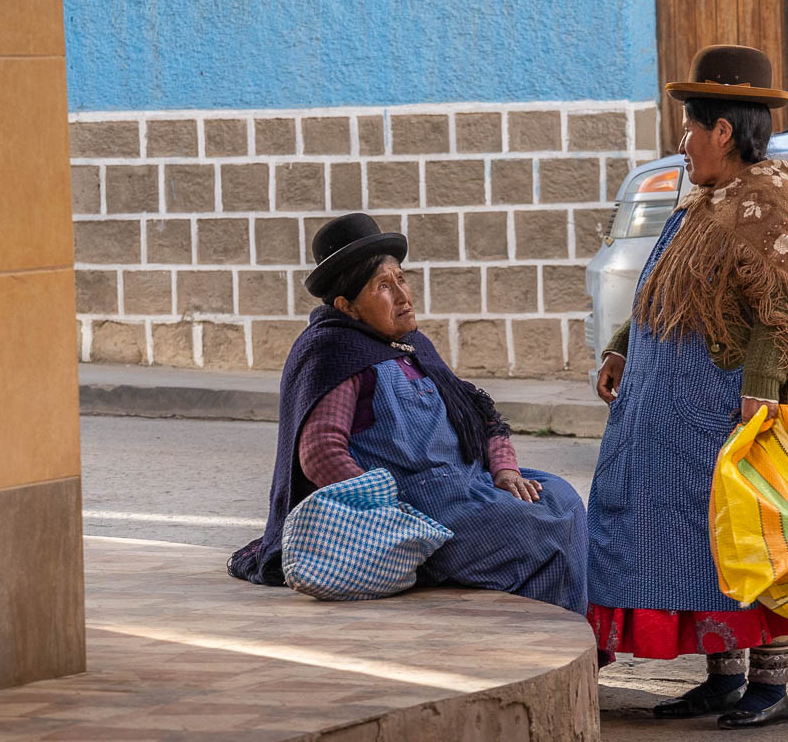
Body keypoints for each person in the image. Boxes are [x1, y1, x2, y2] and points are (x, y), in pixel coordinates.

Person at [586, 45, 788, 730]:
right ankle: (721, 677)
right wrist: (623, 347)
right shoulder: (706, 201)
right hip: (683, 417)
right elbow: (663, 288)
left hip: (734, 411)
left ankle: (770, 687)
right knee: (701, 544)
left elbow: (786, 309)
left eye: (689, 128)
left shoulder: (769, 205)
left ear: (723, 132)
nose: (682, 144)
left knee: (754, 534)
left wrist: (761, 395)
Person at [229, 213, 587, 614]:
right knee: (542, 532)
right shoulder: (333, 352)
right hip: (421, 510)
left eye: (401, 278)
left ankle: (551, 638)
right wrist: (392, 513)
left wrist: (505, 471)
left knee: (562, 499)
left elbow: (478, 413)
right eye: (383, 286)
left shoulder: (411, 347)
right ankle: (539, 644)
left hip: (471, 486)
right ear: (347, 306)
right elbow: (321, 452)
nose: (403, 296)